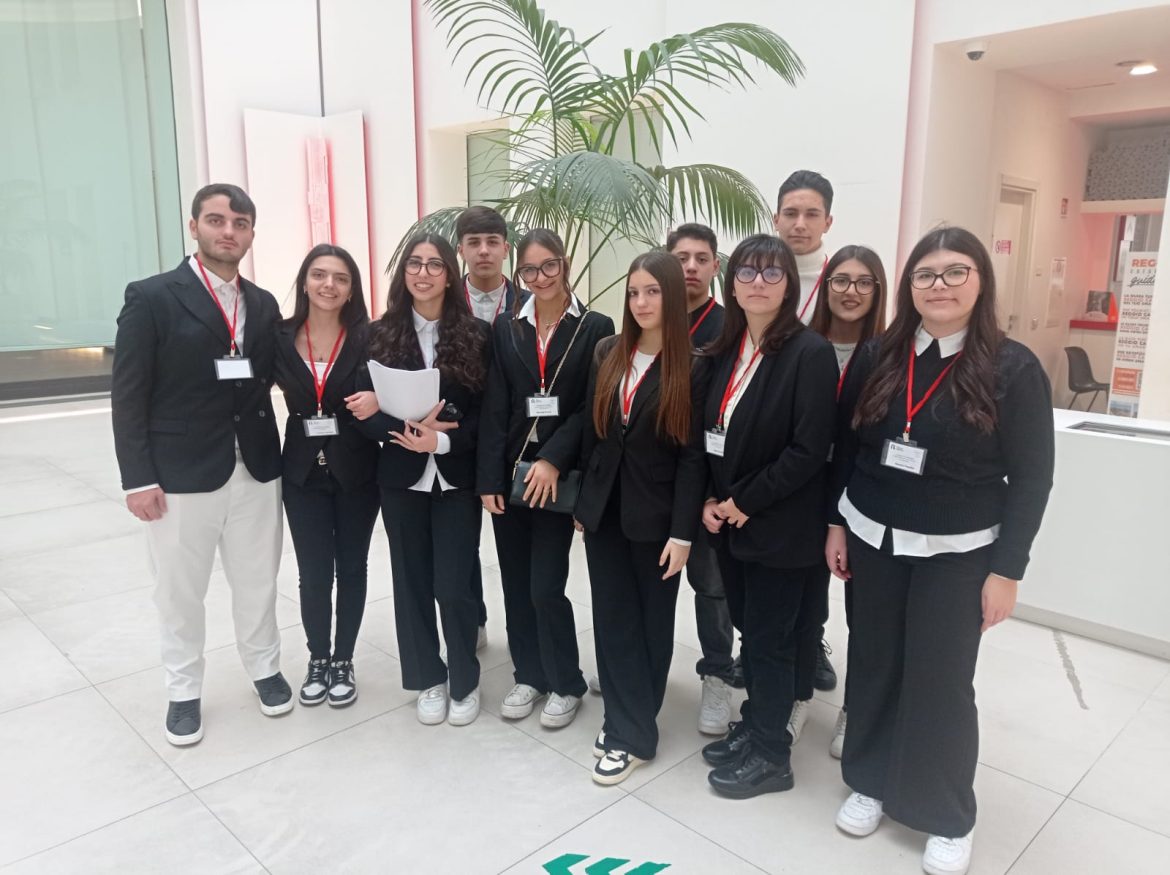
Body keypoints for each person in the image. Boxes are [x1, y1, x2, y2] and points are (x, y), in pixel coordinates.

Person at [826, 227, 1054, 875]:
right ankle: (869, 779)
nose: (940, 285)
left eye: (956, 272)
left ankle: (947, 813)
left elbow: (1033, 478)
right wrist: (837, 523)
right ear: (909, 286)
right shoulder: (879, 353)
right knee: (874, 662)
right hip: (873, 536)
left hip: (959, 551)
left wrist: (1007, 570)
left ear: (981, 282)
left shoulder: (1013, 368)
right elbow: (848, 447)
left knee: (941, 680)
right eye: (926, 274)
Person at [111, 183, 291, 746]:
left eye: (240, 223)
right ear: (194, 227)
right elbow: (128, 394)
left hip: (255, 467)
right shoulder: (152, 297)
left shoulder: (263, 303)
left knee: (258, 580)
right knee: (179, 590)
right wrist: (138, 478)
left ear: (252, 233)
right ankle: (183, 689)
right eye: (216, 220)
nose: (228, 232)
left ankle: (264, 669)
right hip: (179, 475)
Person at [698, 234, 837, 799]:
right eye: (747, 272)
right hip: (730, 523)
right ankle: (755, 726)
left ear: (789, 285)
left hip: (780, 528)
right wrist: (710, 500)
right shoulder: (726, 347)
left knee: (771, 642)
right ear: (731, 283)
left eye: (772, 273)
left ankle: (772, 756)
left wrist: (744, 501)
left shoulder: (809, 352)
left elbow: (808, 449)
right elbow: (711, 434)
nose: (758, 282)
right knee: (751, 637)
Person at [575, 252, 709, 784]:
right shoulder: (608, 351)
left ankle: (632, 729)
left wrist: (682, 533)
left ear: (672, 297)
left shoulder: (693, 366)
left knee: (651, 622)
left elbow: (694, 459)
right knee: (613, 619)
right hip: (605, 511)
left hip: (658, 518)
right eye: (634, 292)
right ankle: (625, 722)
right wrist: (585, 504)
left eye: (653, 291)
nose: (641, 302)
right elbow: (594, 434)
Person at [477, 229, 614, 729]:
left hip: (558, 474)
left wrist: (554, 458)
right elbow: (496, 404)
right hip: (511, 472)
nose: (540, 278)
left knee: (545, 586)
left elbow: (591, 406)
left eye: (549, 266)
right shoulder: (506, 327)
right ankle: (529, 674)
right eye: (529, 270)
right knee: (515, 584)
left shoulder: (596, 327)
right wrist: (488, 478)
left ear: (566, 262)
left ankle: (566, 681)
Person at [352, 234, 491, 726]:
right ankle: (427, 677)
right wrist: (407, 431)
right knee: (410, 581)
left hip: (456, 477)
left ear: (450, 274)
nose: (424, 273)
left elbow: (488, 415)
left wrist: (442, 442)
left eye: (435, 264)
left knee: (454, 584)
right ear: (403, 273)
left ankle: (464, 679)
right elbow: (362, 411)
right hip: (400, 477)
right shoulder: (377, 334)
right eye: (414, 263)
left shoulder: (477, 335)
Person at [272, 244, 379, 708]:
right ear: (304, 282)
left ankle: (344, 659)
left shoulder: (369, 338)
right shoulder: (279, 336)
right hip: (300, 471)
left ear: (352, 289)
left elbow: (390, 392)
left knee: (352, 567)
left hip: (357, 469)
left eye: (340, 277)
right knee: (313, 572)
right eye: (319, 275)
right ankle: (318, 657)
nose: (328, 285)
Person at [792, 245, 888, 755]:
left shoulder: (891, 354)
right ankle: (796, 696)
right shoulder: (802, 346)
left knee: (864, 612)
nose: (851, 291)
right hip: (802, 489)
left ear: (879, 291)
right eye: (841, 281)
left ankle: (857, 709)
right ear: (825, 288)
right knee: (802, 603)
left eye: (864, 282)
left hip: (862, 494)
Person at [666, 223, 740, 736]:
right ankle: (639, 657)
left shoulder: (730, 328)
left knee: (712, 588)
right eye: (680, 258)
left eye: (701, 258)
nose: (690, 267)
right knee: (648, 578)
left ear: (716, 266)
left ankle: (717, 675)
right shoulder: (650, 317)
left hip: (708, 483)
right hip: (653, 480)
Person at [774, 168, 840, 694]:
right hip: (761, 434)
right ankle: (761, 643)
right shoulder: (758, 272)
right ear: (776, 218)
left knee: (813, 552)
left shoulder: (839, 279)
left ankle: (811, 640)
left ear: (827, 221)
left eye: (810, 214)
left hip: (821, 436)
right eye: (791, 213)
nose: (800, 223)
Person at [455, 205, 523, 650]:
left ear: (505, 248)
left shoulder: (530, 302)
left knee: (513, 549)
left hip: (511, 444)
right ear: (461, 250)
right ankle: (473, 619)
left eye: (492, 242)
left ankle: (522, 634)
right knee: (461, 546)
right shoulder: (441, 301)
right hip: (456, 439)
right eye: (474, 242)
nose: (483, 251)